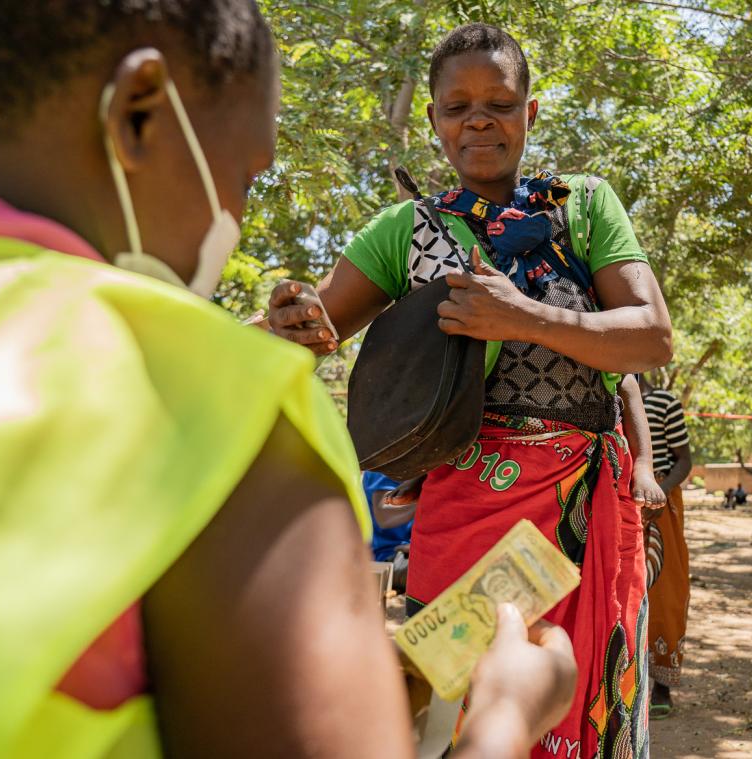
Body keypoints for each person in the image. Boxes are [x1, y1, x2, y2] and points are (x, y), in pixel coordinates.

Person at [0, 4, 577, 757]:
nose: (232, 211)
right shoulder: (225, 406)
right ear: (139, 113)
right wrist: (503, 716)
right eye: (246, 172)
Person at [267, 23, 673, 757]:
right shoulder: (405, 231)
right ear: (433, 121)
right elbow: (320, 321)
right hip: (463, 516)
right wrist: (293, 318)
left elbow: (652, 336)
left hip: (580, 518)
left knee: (582, 706)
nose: (479, 119)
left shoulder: (582, 207)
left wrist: (522, 315)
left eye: (499, 102)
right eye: (457, 107)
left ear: (531, 112)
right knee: (448, 716)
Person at [637, 375, 693, 720]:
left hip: (660, 505)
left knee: (664, 591)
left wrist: (662, 490)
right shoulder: (601, 392)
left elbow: (684, 459)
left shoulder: (664, 403)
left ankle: (662, 686)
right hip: (617, 498)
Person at [363, 471, 417, 592]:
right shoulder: (386, 463)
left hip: (413, 552)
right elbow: (384, 517)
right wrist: (431, 496)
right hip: (390, 557)